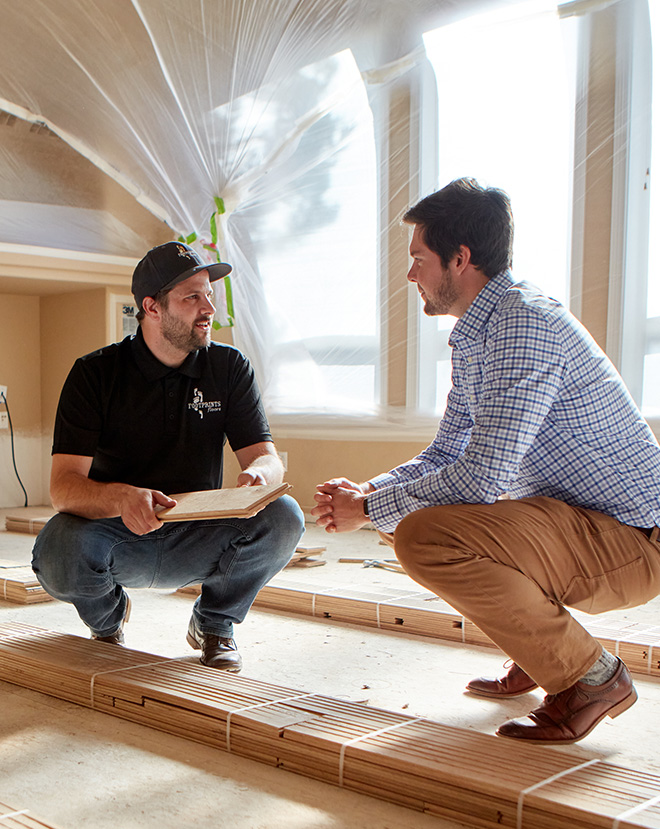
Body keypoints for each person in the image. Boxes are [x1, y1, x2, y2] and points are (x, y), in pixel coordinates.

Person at [312, 177, 660, 744]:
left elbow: (480, 478)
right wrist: (367, 491)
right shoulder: (482, 332)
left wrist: (372, 507)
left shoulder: (523, 325)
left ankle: (589, 678)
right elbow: (449, 453)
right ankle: (542, 651)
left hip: (637, 539)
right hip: (585, 523)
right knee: (421, 517)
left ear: (460, 259)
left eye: (418, 259)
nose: (410, 275)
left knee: (426, 535)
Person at [32, 241, 304, 671]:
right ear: (152, 307)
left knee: (284, 514)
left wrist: (259, 474)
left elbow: (268, 458)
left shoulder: (229, 368)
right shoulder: (94, 374)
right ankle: (108, 619)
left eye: (209, 294)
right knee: (57, 549)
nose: (208, 307)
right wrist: (122, 499)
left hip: (198, 533)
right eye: (191, 296)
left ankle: (215, 625)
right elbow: (63, 487)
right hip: (116, 537)